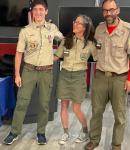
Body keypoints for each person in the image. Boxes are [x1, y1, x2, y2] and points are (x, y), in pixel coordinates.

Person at [3, 0, 63, 145]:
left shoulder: (52, 28)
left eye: (41, 9)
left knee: (44, 104)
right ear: (32, 12)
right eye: (35, 9)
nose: (38, 12)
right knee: (22, 103)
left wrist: (57, 56)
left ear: (46, 11)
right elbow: (18, 54)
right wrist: (17, 74)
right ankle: (14, 132)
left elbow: (64, 40)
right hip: (29, 71)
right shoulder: (25, 31)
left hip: (46, 72)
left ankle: (41, 133)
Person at [85, 0, 130, 150]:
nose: (108, 13)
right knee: (96, 111)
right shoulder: (99, 29)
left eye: (111, 10)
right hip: (101, 76)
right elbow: (97, 51)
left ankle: (116, 144)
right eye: (105, 10)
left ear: (118, 10)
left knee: (119, 115)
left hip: (120, 78)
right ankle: (94, 140)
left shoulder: (129, 30)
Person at [54, 14, 97, 145]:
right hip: (64, 75)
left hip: (79, 76)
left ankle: (85, 131)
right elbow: (56, 56)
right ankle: (65, 132)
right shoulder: (66, 40)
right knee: (64, 106)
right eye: (75, 21)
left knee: (77, 108)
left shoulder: (90, 44)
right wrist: (39, 60)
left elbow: (99, 59)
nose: (75, 24)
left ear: (85, 27)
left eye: (78, 23)